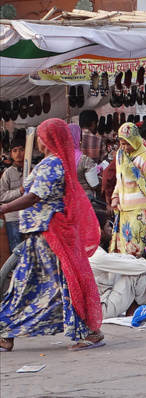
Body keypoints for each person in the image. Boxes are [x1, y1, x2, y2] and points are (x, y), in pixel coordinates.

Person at [0, 118, 104, 352]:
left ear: (47, 138)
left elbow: (35, 196)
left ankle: (89, 331)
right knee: (36, 283)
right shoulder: (51, 163)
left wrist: (4, 208)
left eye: (40, 135)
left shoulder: (52, 165)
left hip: (49, 235)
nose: (37, 140)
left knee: (49, 283)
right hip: (41, 235)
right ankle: (6, 332)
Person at [89, 210, 146, 318]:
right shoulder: (97, 256)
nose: (111, 229)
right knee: (136, 273)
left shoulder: (89, 251)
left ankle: (141, 307)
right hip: (102, 310)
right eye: (108, 226)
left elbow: (121, 258)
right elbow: (140, 267)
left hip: (98, 305)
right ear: (99, 230)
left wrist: (142, 264)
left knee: (134, 268)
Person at [110, 123, 146, 258]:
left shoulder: (145, 158)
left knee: (138, 253)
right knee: (125, 253)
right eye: (122, 144)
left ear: (135, 140)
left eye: (127, 143)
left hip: (141, 215)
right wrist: (115, 196)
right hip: (125, 213)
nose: (125, 147)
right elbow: (119, 179)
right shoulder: (121, 155)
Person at [0, 138, 25, 249]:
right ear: (11, 154)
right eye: (15, 151)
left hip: (31, 216)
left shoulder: (34, 170)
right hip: (13, 218)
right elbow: (2, 196)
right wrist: (18, 192)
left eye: (21, 149)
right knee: (16, 251)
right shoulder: (7, 173)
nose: (18, 153)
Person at [68, 123, 100, 200]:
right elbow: (94, 185)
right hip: (84, 200)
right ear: (78, 138)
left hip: (67, 200)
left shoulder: (58, 159)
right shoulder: (84, 160)